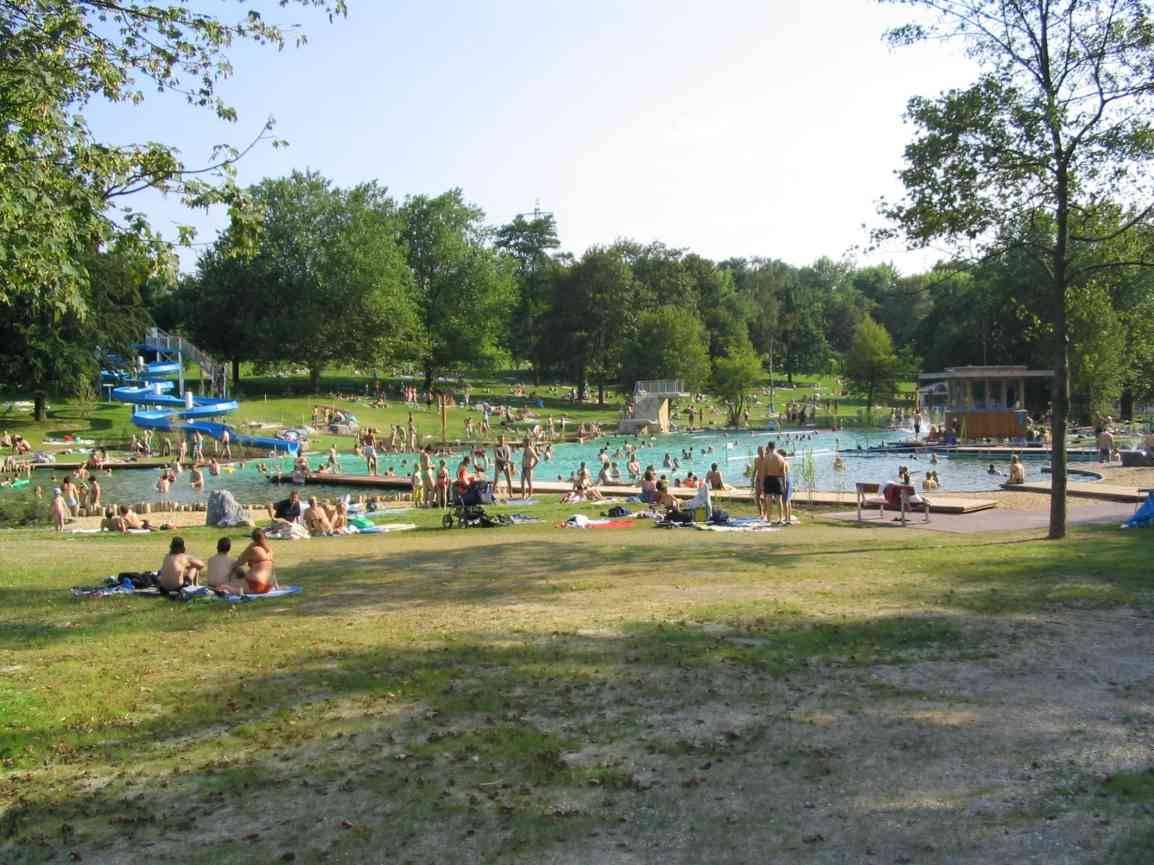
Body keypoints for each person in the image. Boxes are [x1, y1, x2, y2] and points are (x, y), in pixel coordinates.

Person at [234, 529, 277, 594]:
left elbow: (239, 562)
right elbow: (272, 570)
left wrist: (248, 547)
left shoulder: (253, 549)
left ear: (253, 539)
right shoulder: (270, 551)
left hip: (257, 585)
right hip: (268, 586)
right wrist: (276, 586)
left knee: (228, 585)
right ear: (265, 537)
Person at [763, 442, 789, 525]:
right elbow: (784, 472)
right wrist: (784, 484)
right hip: (778, 479)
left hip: (769, 478)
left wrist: (763, 483)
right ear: (775, 447)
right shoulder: (780, 458)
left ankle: (769, 518)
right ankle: (780, 518)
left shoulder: (766, 458)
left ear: (769, 447)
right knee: (779, 500)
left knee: (768, 499)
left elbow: (764, 472)